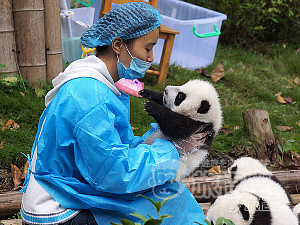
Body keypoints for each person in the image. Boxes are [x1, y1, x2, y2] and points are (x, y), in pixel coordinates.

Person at [20, 2, 206, 225]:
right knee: (165, 203)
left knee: (168, 191)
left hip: (76, 186)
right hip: (55, 209)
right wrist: (173, 150)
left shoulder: (103, 83)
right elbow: (115, 173)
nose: (150, 58)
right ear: (118, 45)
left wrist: (164, 136)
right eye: (147, 48)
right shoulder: (89, 94)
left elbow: (117, 149)